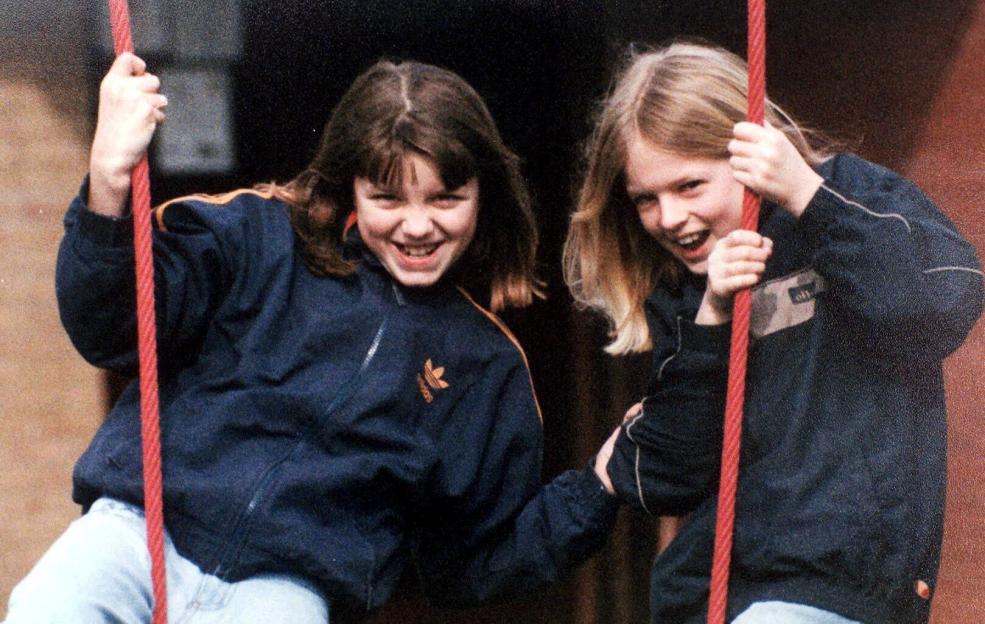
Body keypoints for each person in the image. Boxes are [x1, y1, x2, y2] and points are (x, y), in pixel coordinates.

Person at [4, 52, 620, 623]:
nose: (417, 225)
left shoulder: (486, 366)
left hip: (284, 588)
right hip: (138, 532)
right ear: (351, 185)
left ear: (484, 194)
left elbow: (474, 560)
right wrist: (108, 180)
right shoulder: (253, 236)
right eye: (386, 197)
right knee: (40, 608)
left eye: (446, 198)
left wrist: (599, 488)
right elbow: (109, 326)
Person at [565, 41, 983, 624]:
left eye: (689, 186)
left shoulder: (844, 194)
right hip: (712, 594)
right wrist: (711, 319)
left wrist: (807, 198)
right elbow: (666, 478)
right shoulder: (682, 291)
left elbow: (944, 303)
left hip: (832, 582)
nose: (668, 217)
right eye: (645, 199)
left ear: (751, 155)